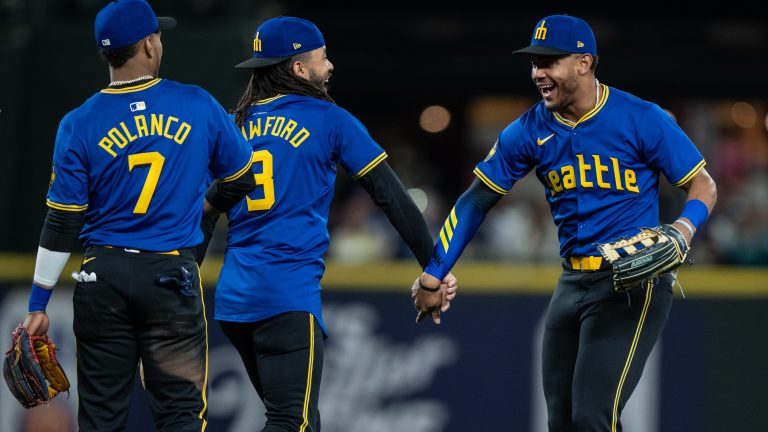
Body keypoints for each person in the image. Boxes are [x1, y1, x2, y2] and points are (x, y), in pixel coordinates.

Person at [415, 14, 717, 431]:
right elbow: (474, 202)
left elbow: (703, 184)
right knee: (560, 421)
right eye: (535, 63)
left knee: (592, 416)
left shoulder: (641, 117)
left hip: (631, 281)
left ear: (584, 62)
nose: (539, 72)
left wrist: (683, 229)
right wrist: (434, 274)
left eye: (550, 61)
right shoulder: (526, 131)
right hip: (572, 281)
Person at [208, 16, 456, 432]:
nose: (331, 67)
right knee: (294, 423)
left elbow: (203, 213)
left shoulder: (235, 123)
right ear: (298, 69)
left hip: (234, 302)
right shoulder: (328, 118)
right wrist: (435, 269)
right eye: (323, 59)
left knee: (296, 419)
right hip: (285, 296)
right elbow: (391, 196)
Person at [20, 0, 256, 430]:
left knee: (100, 419)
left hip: (102, 277)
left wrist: (38, 303)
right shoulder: (198, 105)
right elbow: (242, 178)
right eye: (158, 34)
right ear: (148, 44)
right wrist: (203, 214)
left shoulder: (78, 122)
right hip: (169, 276)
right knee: (180, 416)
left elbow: (62, 220)